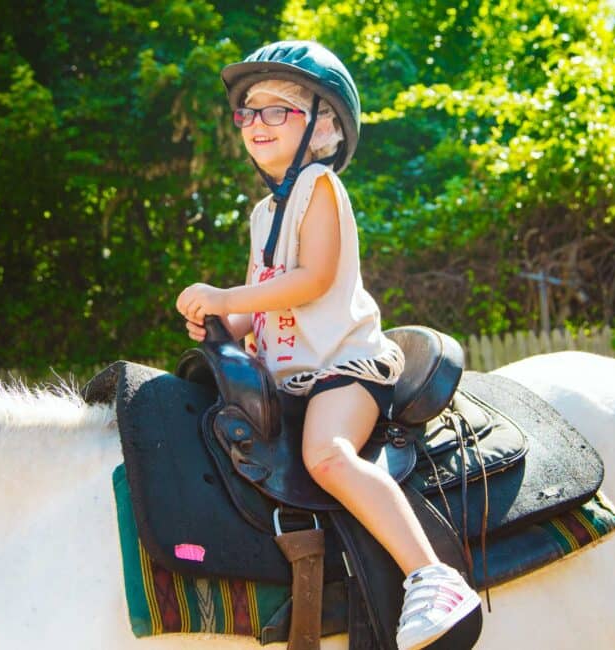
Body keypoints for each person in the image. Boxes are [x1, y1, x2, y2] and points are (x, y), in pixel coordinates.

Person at [175, 40, 481, 650]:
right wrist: (223, 323)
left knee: (328, 455)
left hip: (344, 365)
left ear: (322, 126)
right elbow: (268, 295)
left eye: (276, 110)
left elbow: (313, 279)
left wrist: (225, 295)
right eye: (248, 112)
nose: (256, 123)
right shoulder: (265, 212)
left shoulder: (318, 186)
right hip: (291, 375)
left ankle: (433, 576)